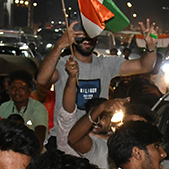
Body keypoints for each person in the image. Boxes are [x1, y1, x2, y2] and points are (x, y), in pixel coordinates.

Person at [35, 21, 156, 153]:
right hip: (63, 140)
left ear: (96, 38)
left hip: (94, 142)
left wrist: (150, 46)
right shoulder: (63, 64)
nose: (87, 40)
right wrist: (60, 45)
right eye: (82, 36)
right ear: (74, 38)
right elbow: (42, 79)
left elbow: (144, 66)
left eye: (91, 35)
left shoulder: (105, 64)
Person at [0, 70, 48, 145]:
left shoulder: (38, 108)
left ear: (29, 90)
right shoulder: (3, 108)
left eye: (22, 88)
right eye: (14, 88)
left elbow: (40, 136)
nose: (17, 92)